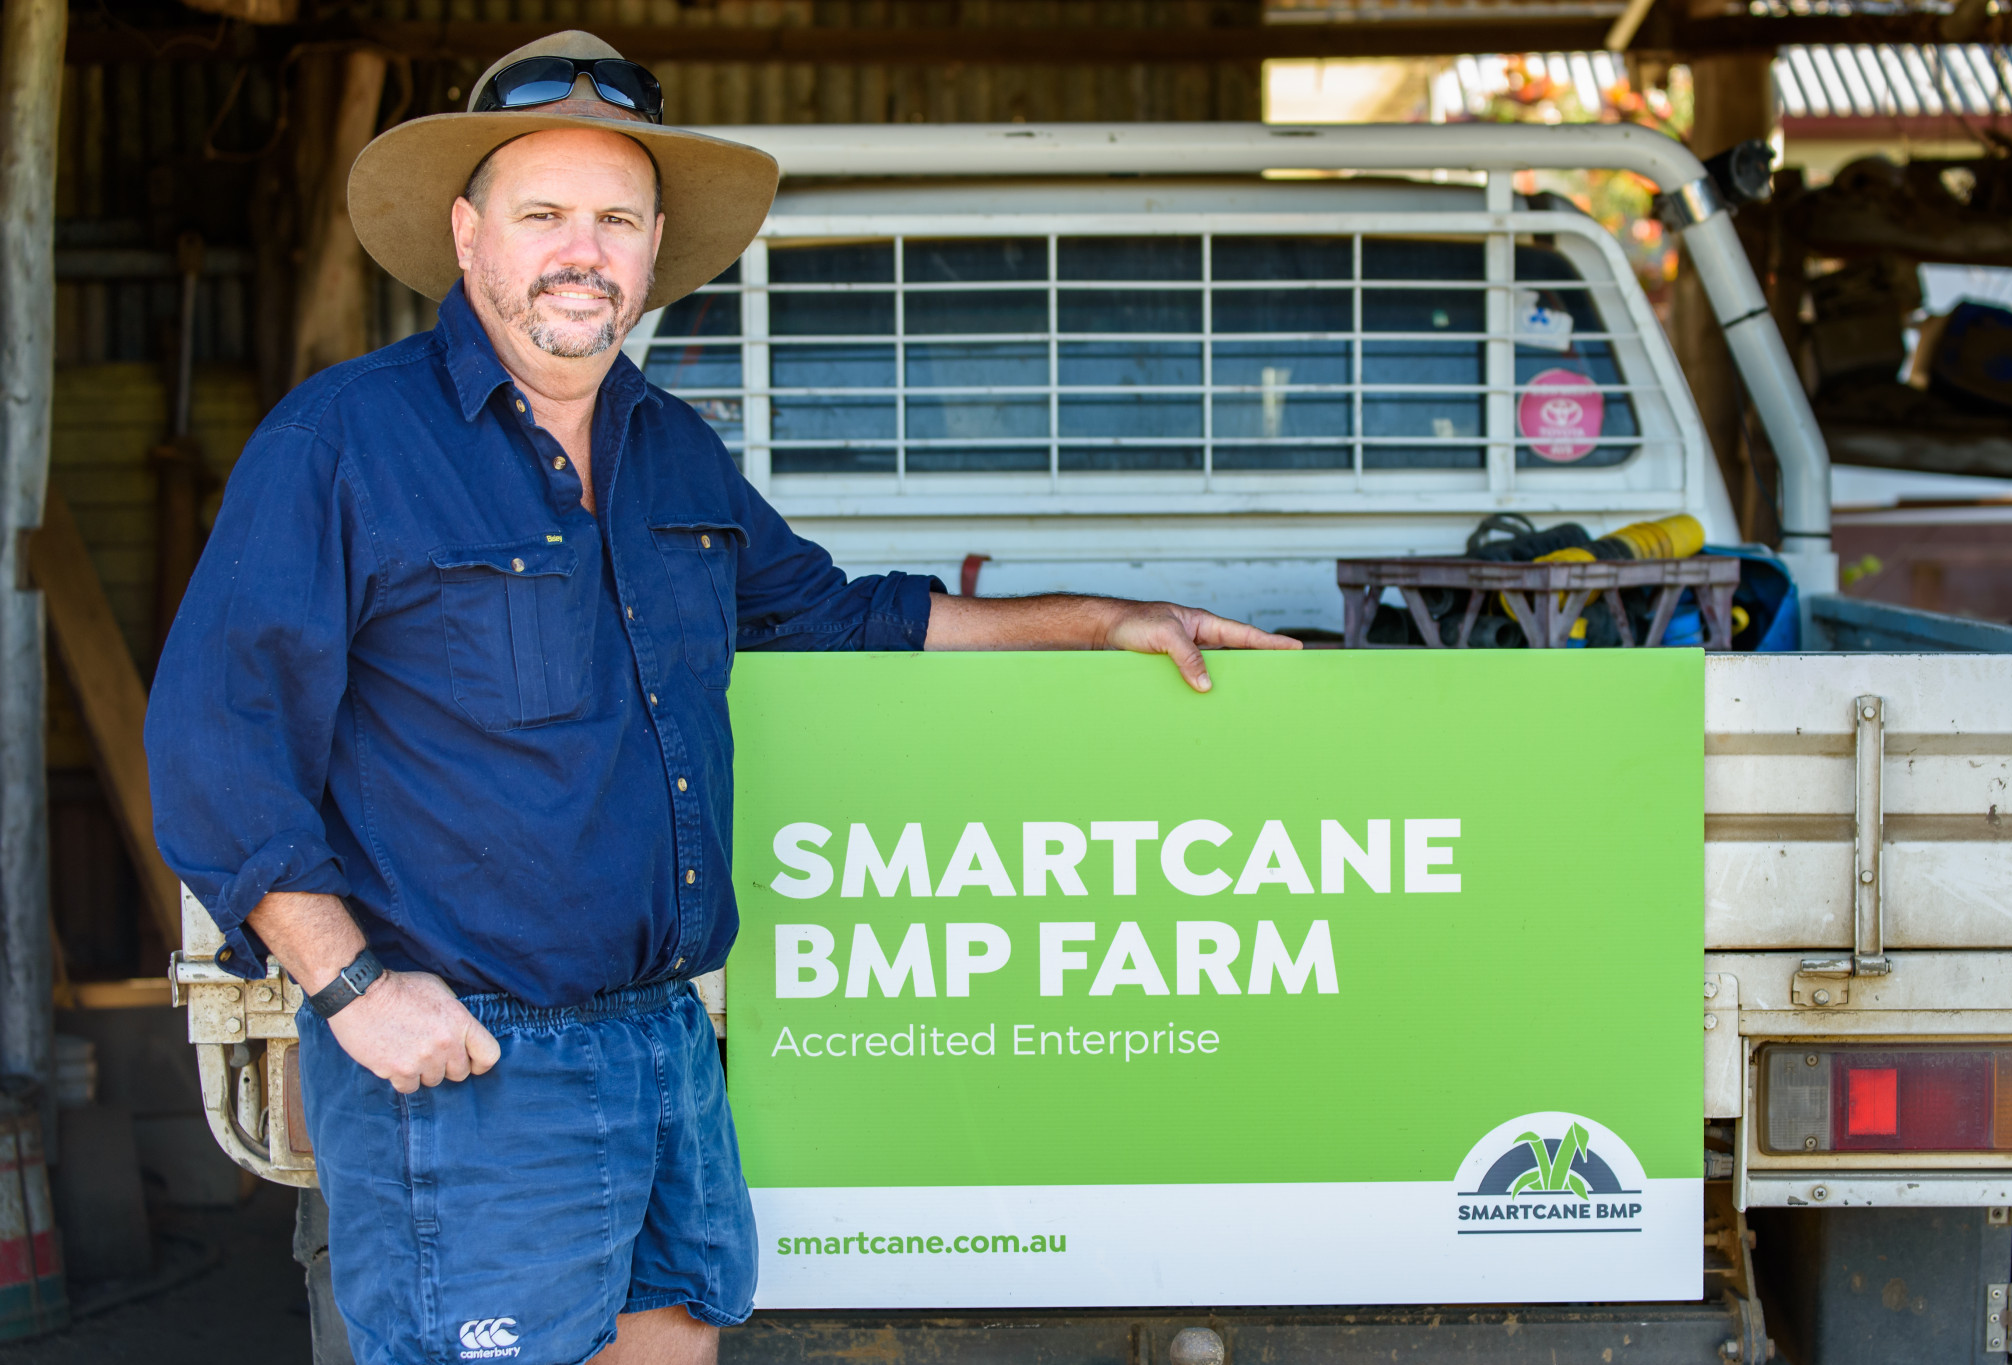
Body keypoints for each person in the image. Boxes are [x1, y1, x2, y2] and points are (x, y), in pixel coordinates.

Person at [144, 31, 1298, 1365]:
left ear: (648, 250)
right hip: (469, 1067)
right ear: (469, 238)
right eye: (544, 215)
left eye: (616, 219)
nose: (583, 247)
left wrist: (1104, 620)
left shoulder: (673, 449)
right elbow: (214, 739)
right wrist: (351, 987)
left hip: (662, 1048)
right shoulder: (341, 442)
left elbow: (837, 616)